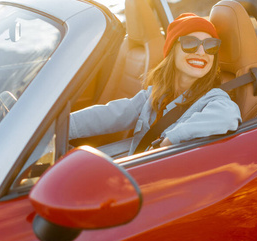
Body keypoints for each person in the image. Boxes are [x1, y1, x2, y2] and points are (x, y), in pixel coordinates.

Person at [69, 13, 241, 155]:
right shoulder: (154, 95)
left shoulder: (212, 99)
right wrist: (63, 126)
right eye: (190, 43)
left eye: (210, 46)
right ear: (172, 51)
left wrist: (171, 139)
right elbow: (111, 114)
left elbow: (228, 114)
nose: (201, 52)